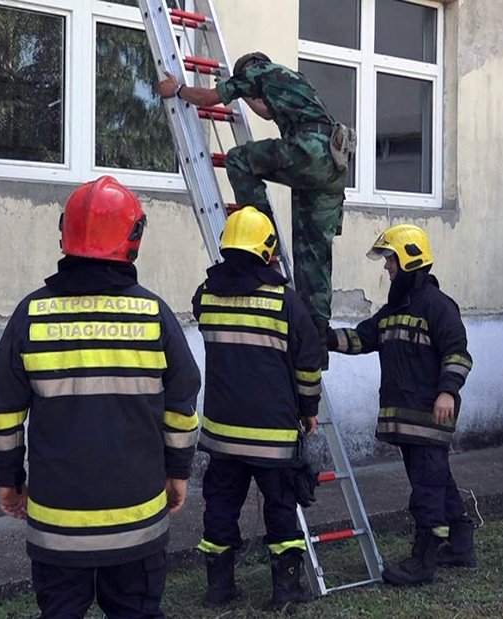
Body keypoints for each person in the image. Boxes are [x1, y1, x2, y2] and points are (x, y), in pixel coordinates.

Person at [0, 176, 202, 618]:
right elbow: (182, 405)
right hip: (137, 525)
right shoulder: (155, 317)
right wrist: (178, 473)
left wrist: (8, 479)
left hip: (57, 529)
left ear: (66, 234)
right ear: (132, 238)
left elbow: (0, 411)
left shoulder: (32, 315)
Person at [158, 52, 351, 368]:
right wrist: (247, 95)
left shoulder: (255, 70)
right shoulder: (288, 78)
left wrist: (177, 90)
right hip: (333, 163)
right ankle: (316, 344)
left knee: (238, 159)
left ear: (248, 71)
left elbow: (209, 97)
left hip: (309, 149)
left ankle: (262, 232)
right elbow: (264, 111)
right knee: (312, 254)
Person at [326, 224, 476, 586]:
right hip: (408, 420)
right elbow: (363, 338)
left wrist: (447, 392)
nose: (386, 267)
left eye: (390, 259)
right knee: (437, 482)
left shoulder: (439, 307)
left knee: (426, 488)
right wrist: (324, 340)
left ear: (410, 260)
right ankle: (460, 545)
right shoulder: (393, 309)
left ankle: (422, 563)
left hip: (428, 414)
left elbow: (458, 354)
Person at [190, 206, 322, 610]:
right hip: (273, 438)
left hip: (222, 436)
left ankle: (220, 589)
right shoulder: (287, 304)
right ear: (268, 251)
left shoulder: (205, 297)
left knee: (220, 509)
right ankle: (285, 591)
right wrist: (309, 409)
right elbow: (307, 367)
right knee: (281, 510)